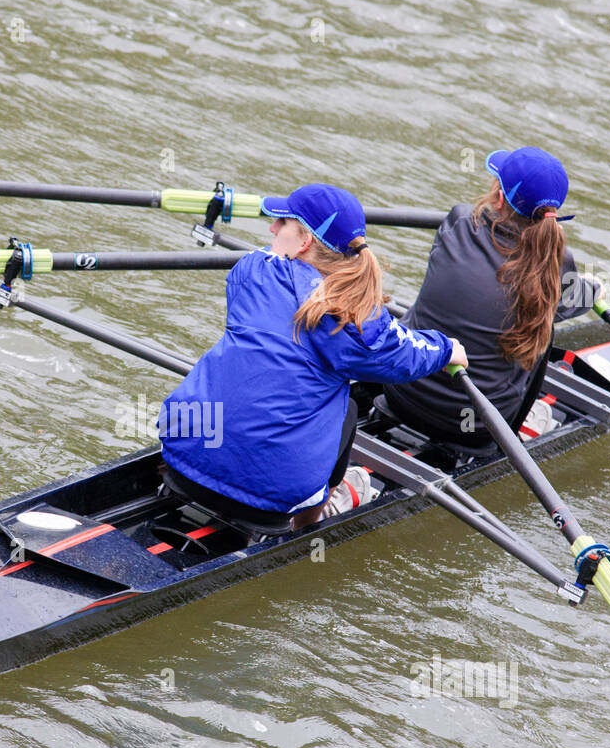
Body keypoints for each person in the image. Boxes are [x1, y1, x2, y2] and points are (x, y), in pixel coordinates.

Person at [158, 183, 467, 531]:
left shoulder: (250, 270)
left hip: (180, 455)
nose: (272, 228)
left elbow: (278, 274)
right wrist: (447, 348)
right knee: (347, 408)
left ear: (304, 241)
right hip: (273, 500)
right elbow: (403, 355)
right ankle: (308, 524)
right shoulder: (361, 319)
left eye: (282, 223)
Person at [381, 147, 601, 459]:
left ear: (499, 198)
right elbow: (564, 305)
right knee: (543, 331)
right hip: (476, 425)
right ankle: (519, 425)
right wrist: (593, 291)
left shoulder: (458, 221)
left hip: (398, 388)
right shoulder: (557, 260)